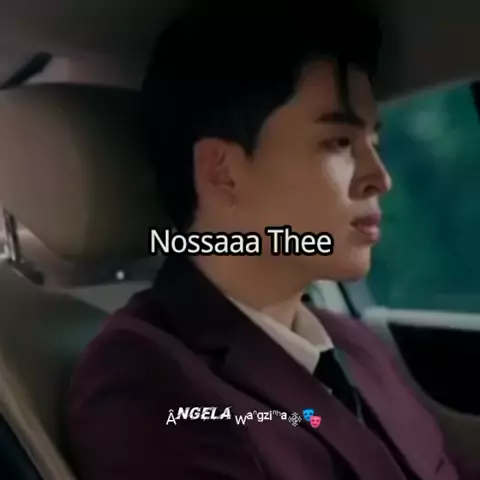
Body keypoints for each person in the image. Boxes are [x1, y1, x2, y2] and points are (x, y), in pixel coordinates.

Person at [67, 1, 460, 479]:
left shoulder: (352, 344)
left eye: (372, 143)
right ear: (224, 174)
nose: (380, 177)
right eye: (338, 142)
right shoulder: (144, 382)